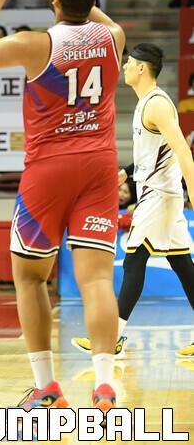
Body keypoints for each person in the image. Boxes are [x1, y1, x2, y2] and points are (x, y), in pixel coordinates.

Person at [0, 0, 125, 411]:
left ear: (54, 1)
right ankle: (105, 385)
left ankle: (48, 387)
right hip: (99, 166)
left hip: (49, 167)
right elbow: (100, 19)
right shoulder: (113, 39)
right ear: (91, 3)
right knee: (97, 280)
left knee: (31, 277)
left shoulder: (37, 44)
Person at [71, 44, 194, 359]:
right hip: (161, 195)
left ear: (142, 68)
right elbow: (153, 154)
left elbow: (183, 151)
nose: (124, 66)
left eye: (129, 62)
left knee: (134, 261)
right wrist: (126, 173)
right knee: (183, 265)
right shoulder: (145, 103)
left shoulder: (157, 105)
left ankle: (111, 338)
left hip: (158, 197)